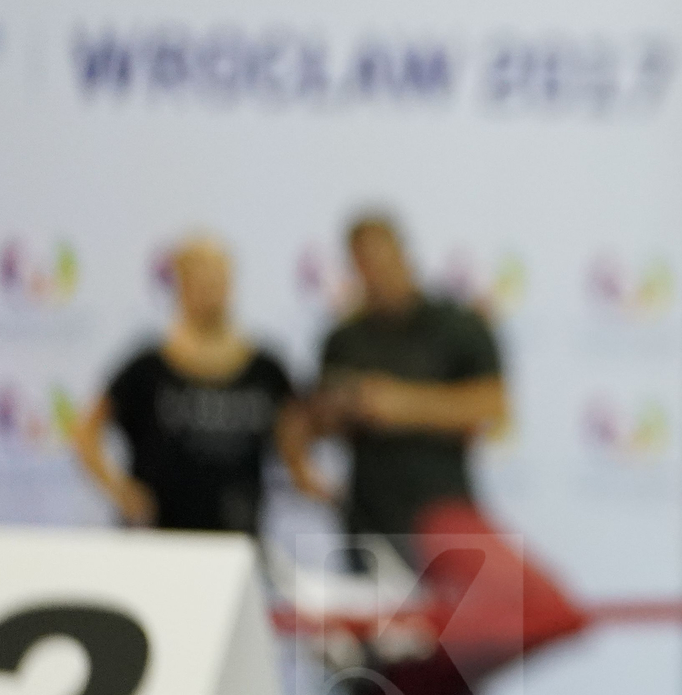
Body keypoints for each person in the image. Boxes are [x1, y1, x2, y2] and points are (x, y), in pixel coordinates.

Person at [71, 234, 330, 534]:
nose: (211, 292)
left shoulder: (265, 369)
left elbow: (292, 439)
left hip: (237, 532)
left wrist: (307, 479)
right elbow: (86, 432)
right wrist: (121, 491)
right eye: (200, 280)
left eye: (218, 280)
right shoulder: (148, 368)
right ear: (180, 285)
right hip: (158, 535)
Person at [306, 214, 507, 541]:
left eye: (381, 258)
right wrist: (341, 408)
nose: (375, 272)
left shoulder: (458, 326)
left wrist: (399, 404)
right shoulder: (343, 338)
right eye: (363, 262)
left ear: (403, 254)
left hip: (445, 509)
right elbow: (319, 418)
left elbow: (492, 404)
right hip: (370, 512)